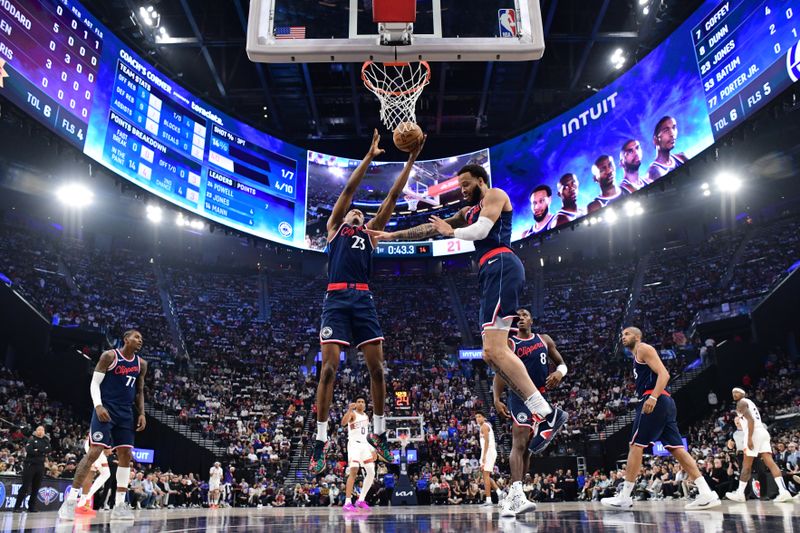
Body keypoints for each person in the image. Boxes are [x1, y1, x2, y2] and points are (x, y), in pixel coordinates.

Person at [367, 164, 567, 452]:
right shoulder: (467, 212)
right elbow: (431, 227)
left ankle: (547, 413)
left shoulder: (495, 195)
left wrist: (453, 232)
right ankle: (544, 413)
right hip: (490, 271)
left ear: (480, 181)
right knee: (489, 354)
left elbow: (482, 229)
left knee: (496, 350)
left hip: (502, 264)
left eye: (465, 184)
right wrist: (391, 237)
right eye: (459, 186)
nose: (461, 190)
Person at [310, 130, 426, 474]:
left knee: (377, 369)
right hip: (335, 298)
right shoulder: (334, 228)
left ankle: (379, 434)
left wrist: (410, 160)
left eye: (361, 213)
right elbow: (348, 191)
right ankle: (319, 440)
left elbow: (392, 196)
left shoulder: (371, 233)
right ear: (345, 218)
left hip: (362, 297)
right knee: (329, 368)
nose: (357, 213)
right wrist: (370, 156)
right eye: (354, 213)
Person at [601, 327, 720, 510]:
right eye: (622, 334)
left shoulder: (643, 348)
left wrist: (653, 397)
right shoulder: (637, 355)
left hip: (655, 400)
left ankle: (625, 497)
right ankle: (706, 493)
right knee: (678, 449)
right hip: (664, 403)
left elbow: (664, 374)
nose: (623, 337)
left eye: (627, 334)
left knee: (635, 445)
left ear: (637, 336)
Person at [58, 330, 148, 522]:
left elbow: (139, 391)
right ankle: (71, 502)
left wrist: (141, 413)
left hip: (126, 413)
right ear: (126, 339)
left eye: (141, 339)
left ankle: (120, 505)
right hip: (106, 409)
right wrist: (98, 405)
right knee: (94, 452)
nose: (140, 341)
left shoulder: (141, 364)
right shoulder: (109, 356)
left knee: (126, 455)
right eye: (136, 337)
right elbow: (95, 383)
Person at [494, 308, 568, 516]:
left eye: (524, 315)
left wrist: (559, 373)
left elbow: (562, 364)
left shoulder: (544, 339)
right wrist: (496, 398)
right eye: (516, 317)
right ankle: (518, 493)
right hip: (519, 397)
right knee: (519, 441)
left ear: (531, 320)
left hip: (540, 397)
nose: (520, 319)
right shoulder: (510, 343)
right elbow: (500, 372)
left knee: (527, 448)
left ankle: (511, 498)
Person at [724, 387, 794, 502]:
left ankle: (740, 493)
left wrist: (750, 438)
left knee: (746, 465)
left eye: (736, 392)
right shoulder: (750, 402)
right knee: (770, 462)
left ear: (743, 393)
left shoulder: (741, 403)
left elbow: (750, 420)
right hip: (762, 432)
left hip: (754, 433)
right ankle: (783, 491)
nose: (734, 394)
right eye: (732, 392)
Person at [340, 398, 377, 512]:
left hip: (364, 445)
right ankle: (347, 502)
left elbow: (365, 435)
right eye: (359, 402)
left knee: (371, 472)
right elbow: (343, 423)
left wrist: (372, 448)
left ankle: (361, 500)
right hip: (354, 445)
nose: (361, 403)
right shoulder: (352, 413)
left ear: (365, 405)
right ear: (355, 404)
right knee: (354, 471)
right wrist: (349, 410)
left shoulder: (366, 416)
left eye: (362, 402)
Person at [12, 425, 51, 513]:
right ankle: (17, 507)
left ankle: (31, 507)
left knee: (36, 487)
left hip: (40, 466)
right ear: (36, 431)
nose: (40, 431)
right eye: (39, 430)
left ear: (44, 432)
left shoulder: (46, 440)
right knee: (25, 486)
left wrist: (38, 450)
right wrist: (41, 451)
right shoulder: (32, 439)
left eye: (42, 430)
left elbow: (49, 449)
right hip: (30, 465)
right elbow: (29, 450)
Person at [74, 439, 113, 516]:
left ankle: (85, 500)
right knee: (91, 472)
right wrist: (107, 447)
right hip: (96, 444)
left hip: (97, 444)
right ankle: (82, 503)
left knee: (105, 473)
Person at [647, 116, 688, 182]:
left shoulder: (681, 157)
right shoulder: (654, 171)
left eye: (674, 128)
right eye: (666, 130)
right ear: (655, 140)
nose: (672, 134)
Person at [474, 412, 501, 507]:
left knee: (485, 476)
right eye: (476, 417)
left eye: (479, 416)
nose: (477, 418)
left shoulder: (484, 426)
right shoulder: (482, 427)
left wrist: (484, 456)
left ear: (484, 418)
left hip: (488, 451)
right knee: (486, 476)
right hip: (487, 452)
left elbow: (487, 442)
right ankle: (500, 493)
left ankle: (489, 500)